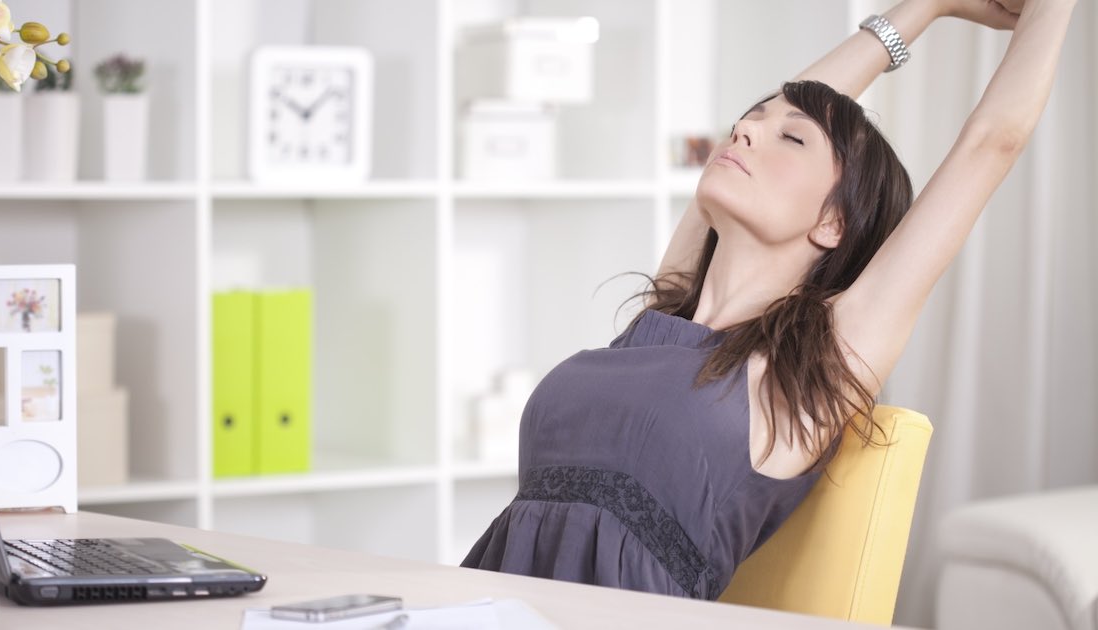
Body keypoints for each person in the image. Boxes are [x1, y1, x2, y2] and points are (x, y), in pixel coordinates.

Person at [461, 0, 1076, 601]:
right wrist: (923, 8)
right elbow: (800, 96)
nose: (747, 129)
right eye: (747, 122)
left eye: (793, 139)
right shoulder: (664, 315)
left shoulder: (808, 376)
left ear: (834, 223)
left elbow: (991, 143)